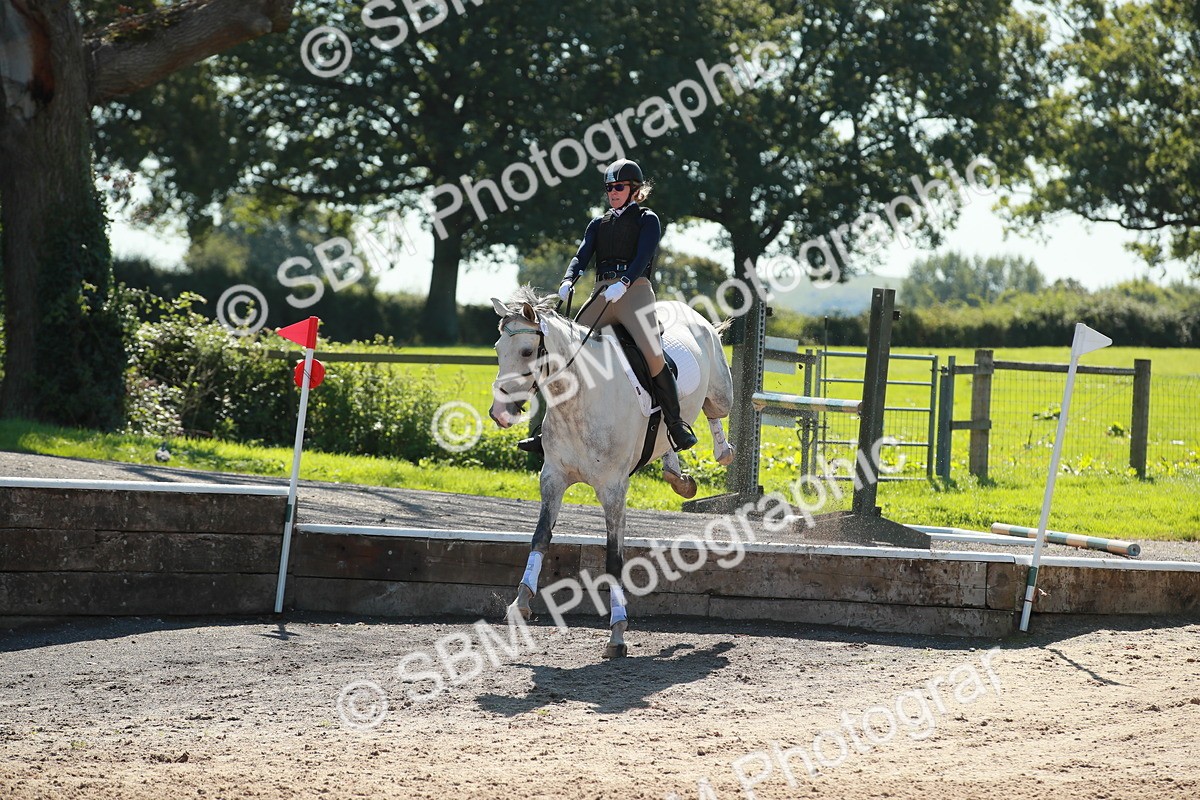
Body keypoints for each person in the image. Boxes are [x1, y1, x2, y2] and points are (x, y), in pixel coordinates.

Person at [517, 158, 699, 455]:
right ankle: (547, 431)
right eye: (609, 188)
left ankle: (676, 425)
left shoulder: (647, 219)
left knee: (653, 355)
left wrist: (625, 282)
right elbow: (582, 254)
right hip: (602, 292)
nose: (612, 192)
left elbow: (644, 255)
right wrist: (569, 278)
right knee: (568, 353)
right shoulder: (598, 223)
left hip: (635, 291)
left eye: (618, 187)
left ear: (634, 189)